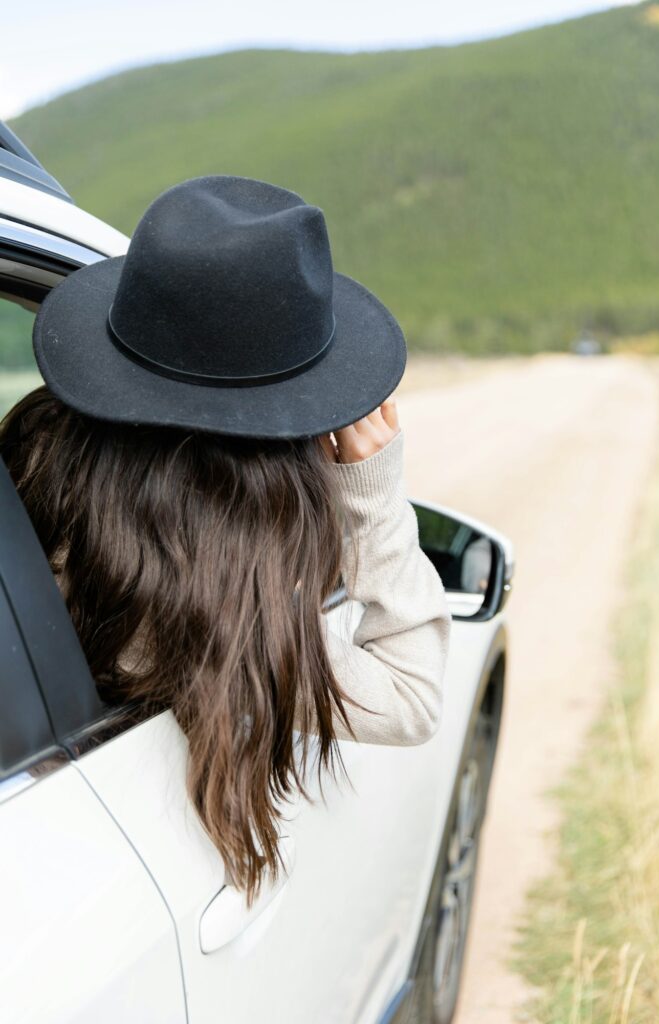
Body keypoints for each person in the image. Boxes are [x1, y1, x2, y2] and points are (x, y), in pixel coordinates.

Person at [0, 175, 451, 908]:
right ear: (277, 476)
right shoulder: (214, 625)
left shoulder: (32, 474)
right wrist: (371, 488)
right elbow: (412, 691)